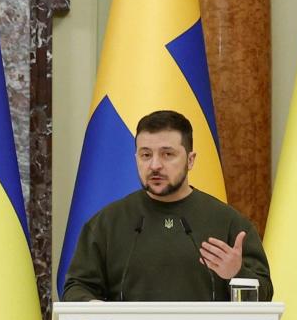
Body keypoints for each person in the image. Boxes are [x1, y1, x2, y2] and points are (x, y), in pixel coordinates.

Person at [62, 110, 272, 302]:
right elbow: (76, 288)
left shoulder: (227, 223)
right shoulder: (107, 223)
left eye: (167, 154)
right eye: (146, 155)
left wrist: (237, 274)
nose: (154, 165)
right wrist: (94, 307)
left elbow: (264, 296)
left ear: (190, 160)